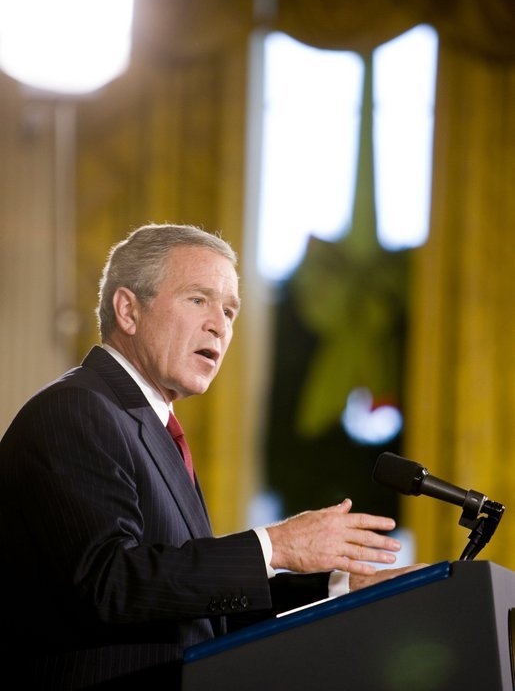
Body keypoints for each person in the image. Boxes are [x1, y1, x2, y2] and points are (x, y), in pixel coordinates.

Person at [0, 223, 420, 689]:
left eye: (229, 310)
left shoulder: (148, 425)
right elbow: (109, 584)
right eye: (198, 299)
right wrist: (275, 546)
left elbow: (196, 608)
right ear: (128, 309)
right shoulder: (77, 410)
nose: (219, 325)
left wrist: (338, 589)